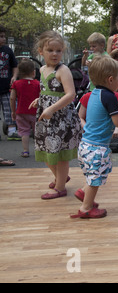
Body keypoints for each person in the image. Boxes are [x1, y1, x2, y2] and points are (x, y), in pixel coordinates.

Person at [71, 55, 118, 219]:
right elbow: (117, 121)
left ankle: (84, 194)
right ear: (111, 79)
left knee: (93, 175)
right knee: (95, 179)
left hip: (86, 145)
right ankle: (85, 208)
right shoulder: (109, 96)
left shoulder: (93, 94)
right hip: (97, 147)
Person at [29, 31, 82, 200]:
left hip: (61, 119)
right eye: (50, 50)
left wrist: (51, 108)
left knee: (59, 155)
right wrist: (40, 99)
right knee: (46, 151)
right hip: (47, 118)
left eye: (58, 51)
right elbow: (51, 91)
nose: (54, 54)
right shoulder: (42, 69)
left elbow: (70, 94)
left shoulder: (63, 70)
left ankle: (60, 187)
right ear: (41, 51)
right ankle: (61, 177)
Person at [9, 59, 40, 157]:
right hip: (35, 112)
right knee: (38, 132)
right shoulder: (37, 84)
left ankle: (26, 151)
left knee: (24, 132)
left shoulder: (16, 84)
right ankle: (39, 150)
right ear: (33, 72)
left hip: (21, 112)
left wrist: (13, 111)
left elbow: (12, 98)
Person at [0, 25, 20, 141]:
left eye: (4, 36)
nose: (3, 39)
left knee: (9, 109)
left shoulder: (8, 50)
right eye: (1, 36)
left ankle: (12, 131)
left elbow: (14, 65)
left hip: (6, 86)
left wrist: (14, 76)